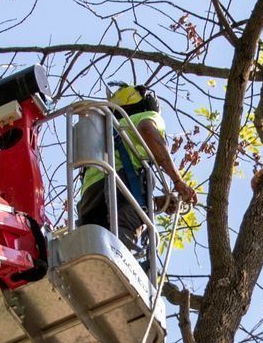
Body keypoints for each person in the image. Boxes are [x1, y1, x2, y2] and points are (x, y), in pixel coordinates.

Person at [77, 83, 197, 269]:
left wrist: (158, 203)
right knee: (118, 252)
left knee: (90, 253)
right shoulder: (147, 117)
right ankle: (120, 267)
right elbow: (148, 130)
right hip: (119, 189)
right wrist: (177, 181)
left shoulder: (107, 134)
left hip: (90, 197)